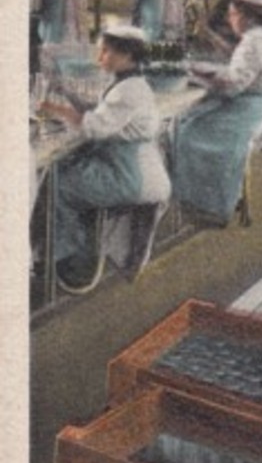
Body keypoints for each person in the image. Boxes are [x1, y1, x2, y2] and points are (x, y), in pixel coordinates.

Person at [38, 25, 172, 293]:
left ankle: (67, 260)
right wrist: (65, 92)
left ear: (127, 56)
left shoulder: (129, 91)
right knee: (62, 172)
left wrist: (53, 107)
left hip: (130, 177)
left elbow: (94, 127)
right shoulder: (130, 83)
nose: (99, 58)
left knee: (56, 186)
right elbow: (99, 112)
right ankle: (69, 250)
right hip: (130, 168)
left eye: (106, 52)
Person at [171, 0, 262, 226]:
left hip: (248, 108)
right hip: (253, 101)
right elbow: (238, 62)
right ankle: (198, 198)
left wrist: (200, 75)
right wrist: (208, 39)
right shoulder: (256, 38)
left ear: (247, 17)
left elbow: (232, 86)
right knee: (187, 121)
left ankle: (206, 205)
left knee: (188, 130)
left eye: (233, 15)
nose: (230, 20)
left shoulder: (252, 44)